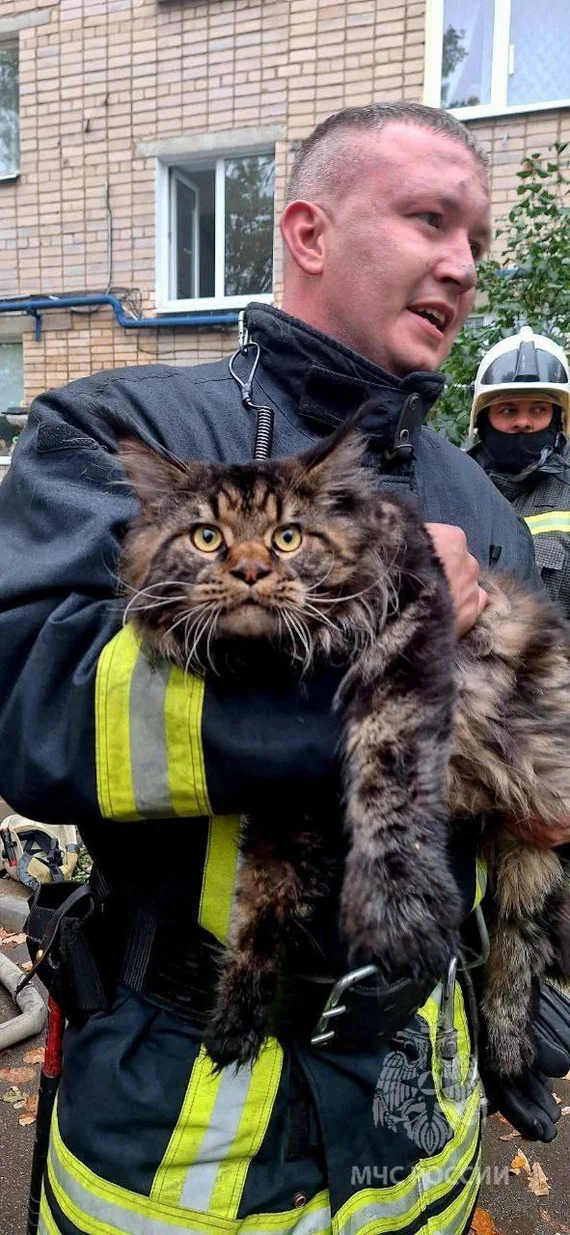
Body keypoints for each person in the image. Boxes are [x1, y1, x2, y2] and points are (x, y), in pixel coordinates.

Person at [0, 102, 569, 1235]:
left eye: (477, 241)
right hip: (179, 1121)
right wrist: (392, 659)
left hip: (423, 1115)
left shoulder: (478, 498)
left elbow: (528, 760)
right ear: (307, 230)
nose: (461, 264)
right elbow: (27, 701)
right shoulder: (124, 424)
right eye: (428, 219)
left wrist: (531, 952)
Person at [468, 326, 570, 614]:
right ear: (484, 419)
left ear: (557, 419)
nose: (523, 422)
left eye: (539, 410)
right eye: (508, 410)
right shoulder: (452, 483)